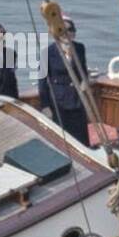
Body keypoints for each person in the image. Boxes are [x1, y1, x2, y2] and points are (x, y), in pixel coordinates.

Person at [38, 16, 91, 148]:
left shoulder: (80, 48)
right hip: (58, 103)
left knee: (80, 139)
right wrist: (45, 106)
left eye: (70, 30)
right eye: (63, 30)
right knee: (62, 140)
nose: (67, 33)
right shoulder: (47, 53)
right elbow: (42, 81)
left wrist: (85, 83)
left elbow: (83, 71)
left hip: (78, 100)